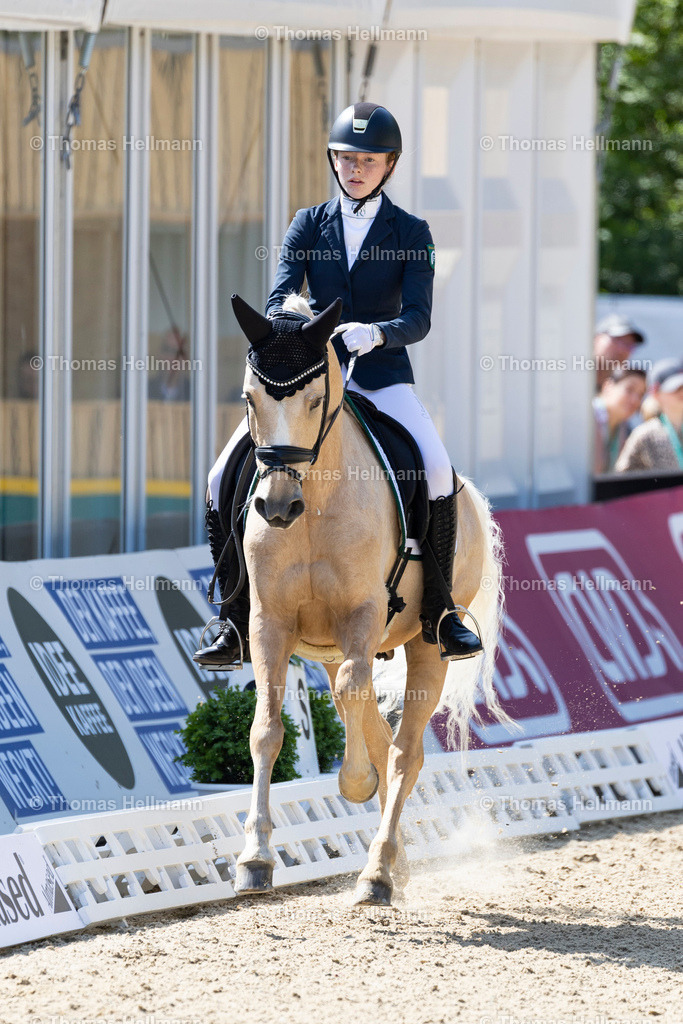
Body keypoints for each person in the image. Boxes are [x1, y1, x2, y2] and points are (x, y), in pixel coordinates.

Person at [196, 101, 482, 668]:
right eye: (347, 158)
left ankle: (442, 610)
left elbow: (419, 318)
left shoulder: (412, 232)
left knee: (435, 469)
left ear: (389, 165)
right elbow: (279, 297)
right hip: (306, 383)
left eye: (369, 160)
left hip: (380, 379)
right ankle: (232, 615)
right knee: (219, 475)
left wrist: (375, 334)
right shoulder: (307, 223)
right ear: (333, 159)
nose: (356, 169)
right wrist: (299, 328)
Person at [615, 357, 683, 472]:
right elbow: (622, 477)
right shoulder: (644, 435)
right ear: (655, 393)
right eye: (675, 388)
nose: (681, 391)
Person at [592, 365, 646, 474]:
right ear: (608, 386)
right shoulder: (588, 417)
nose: (635, 400)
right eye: (629, 390)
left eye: (641, 395)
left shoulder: (623, 427)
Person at [593, 314, 646, 390]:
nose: (622, 349)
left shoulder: (623, 390)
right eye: (617, 340)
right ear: (597, 338)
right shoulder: (576, 375)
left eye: (629, 345)